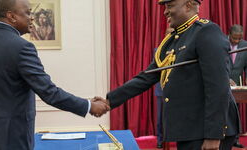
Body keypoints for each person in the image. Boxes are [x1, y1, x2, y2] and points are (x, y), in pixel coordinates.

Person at [0, 0, 109, 150]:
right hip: (11, 138)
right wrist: (89, 106)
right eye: (27, 12)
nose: (32, 17)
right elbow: (49, 92)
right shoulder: (22, 47)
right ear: (11, 16)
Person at [100, 0, 241, 149]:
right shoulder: (174, 39)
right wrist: (110, 100)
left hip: (206, 130)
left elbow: (218, 86)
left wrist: (214, 135)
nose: (165, 12)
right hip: (190, 129)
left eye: (169, 6)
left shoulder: (206, 32)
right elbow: (147, 77)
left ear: (188, 6)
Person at [154, 27, 174, 149]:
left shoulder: (181, 49)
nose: (170, 36)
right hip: (161, 89)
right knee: (161, 117)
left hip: (176, 89)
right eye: (168, 34)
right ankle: (160, 140)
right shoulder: (158, 50)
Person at [228, 24, 247, 148]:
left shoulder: (245, 45)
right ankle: (224, 138)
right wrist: (226, 78)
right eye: (234, 38)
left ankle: (235, 139)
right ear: (229, 34)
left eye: (239, 38)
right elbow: (216, 64)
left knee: (236, 112)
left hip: (237, 85)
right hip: (222, 82)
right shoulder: (221, 43)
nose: (237, 41)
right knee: (224, 111)